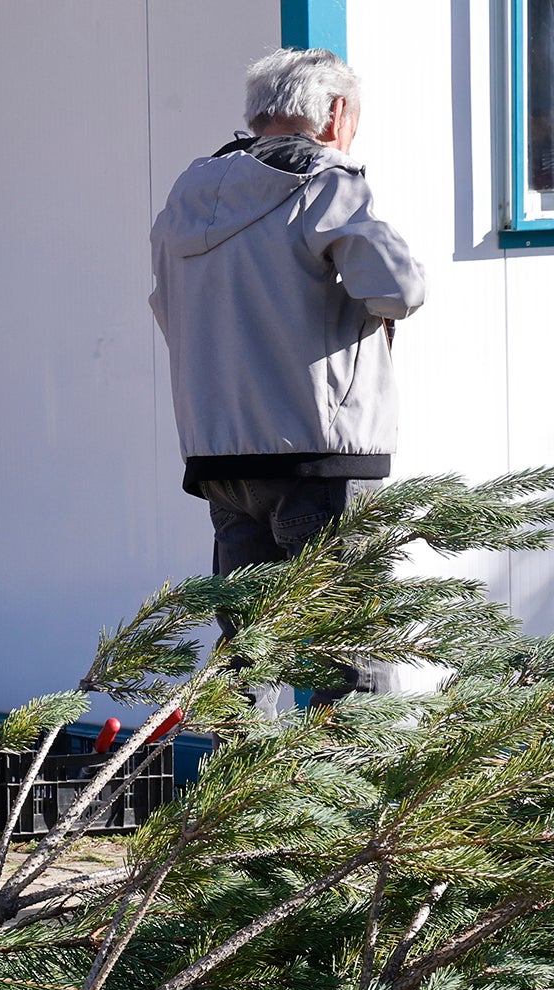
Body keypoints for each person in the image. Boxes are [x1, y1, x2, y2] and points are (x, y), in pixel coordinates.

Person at [150, 47, 425, 713]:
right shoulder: (325, 182)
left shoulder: (188, 196)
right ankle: (361, 816)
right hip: (317, 453)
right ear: (334, 114)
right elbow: (400, 287)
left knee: (248, 655)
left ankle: (239, 812)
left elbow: (166, 308)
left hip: (221, 455)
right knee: (349, 657)